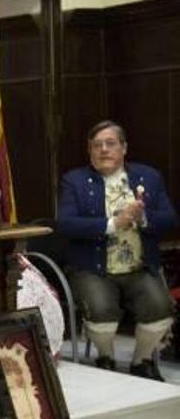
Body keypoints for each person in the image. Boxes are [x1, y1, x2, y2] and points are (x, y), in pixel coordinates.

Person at [57, 120, 177, 380]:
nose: (103, 150)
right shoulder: (74, 181)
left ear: (124, 148)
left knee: (161, 308)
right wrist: (114, 223)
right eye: (96, 145)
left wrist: (143, 218)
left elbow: (170, 219)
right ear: (89, 151)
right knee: (101, 310)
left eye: (110, 143)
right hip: (92, 267)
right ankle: (106, 358)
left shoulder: (149, 177)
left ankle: (141, 361)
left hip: (138, 266)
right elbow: (65, 224)